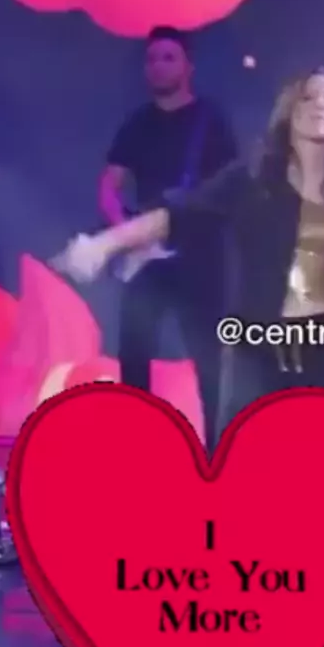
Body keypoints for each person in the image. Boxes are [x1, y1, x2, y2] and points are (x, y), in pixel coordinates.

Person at [53, 67, 324, 428]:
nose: (320, 105)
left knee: (320, 461)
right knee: (252, 458)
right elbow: (179, 214)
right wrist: (103, 244)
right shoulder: (252, 180)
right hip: (260, 354)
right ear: (289, 113)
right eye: (309, 97)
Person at [97, 26, 237, 450]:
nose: (158, 66)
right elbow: (109, 186)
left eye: (169, 58)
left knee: (210, 363)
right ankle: (140, 451)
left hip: (199, 257)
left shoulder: (210, 122)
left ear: (188, 66)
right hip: (147, 258)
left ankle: (218, 455)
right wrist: (127, 231)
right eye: (152, 59)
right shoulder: (138, 123)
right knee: (134, 358)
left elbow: (233, 188)